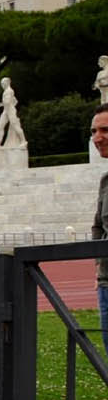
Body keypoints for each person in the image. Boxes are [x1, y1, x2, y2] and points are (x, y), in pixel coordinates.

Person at [91, 107, 108, 341]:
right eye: (94, 131)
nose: (97, 137)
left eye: (105, 130)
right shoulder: (105, 181)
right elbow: (98, 226)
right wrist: (98, 267)